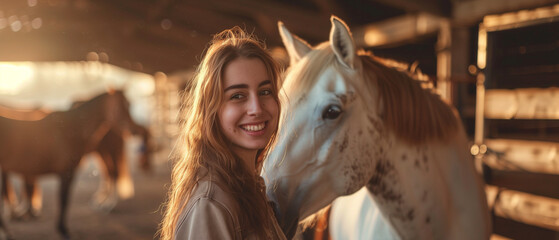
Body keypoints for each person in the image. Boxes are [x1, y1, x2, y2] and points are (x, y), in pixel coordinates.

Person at [159, 27, 286, 240]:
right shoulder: (211, 204)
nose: (256, 108)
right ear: (211, 109)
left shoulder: (248, 185)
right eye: (237, 96)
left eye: (265, 92)